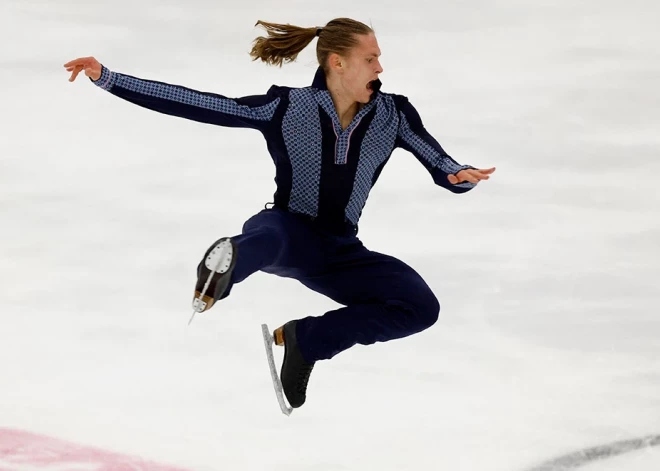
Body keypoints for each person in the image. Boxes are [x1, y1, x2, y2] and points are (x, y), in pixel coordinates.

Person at [64, 18, 495, 409]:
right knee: (268, 242)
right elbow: (204, 104)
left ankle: (307, 340)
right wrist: (110, 79)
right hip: (288, 226)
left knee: (420, 307)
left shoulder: (392, 114)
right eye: (371, 58)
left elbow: (440, 162)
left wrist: (459, 175)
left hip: (341, 249)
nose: (380, 68)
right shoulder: (289, 107)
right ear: (338, 62)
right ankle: (220, 271)